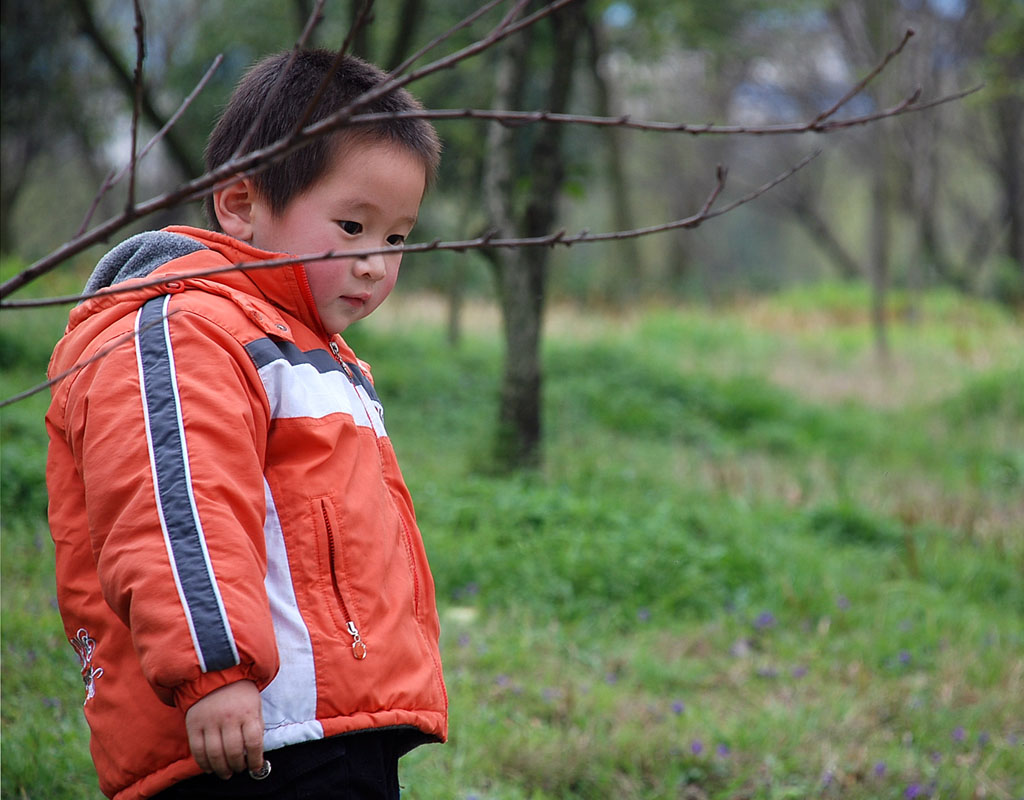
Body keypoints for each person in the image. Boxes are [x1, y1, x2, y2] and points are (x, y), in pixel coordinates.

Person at [45, 49, 447, 800]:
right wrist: (214, 669)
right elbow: (174, 506)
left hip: (327, 722)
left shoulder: (308, 351)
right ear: (240, 205)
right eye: (352, 226)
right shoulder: (183, 329)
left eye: (397, 239)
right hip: (245, 732)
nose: (376, 264)